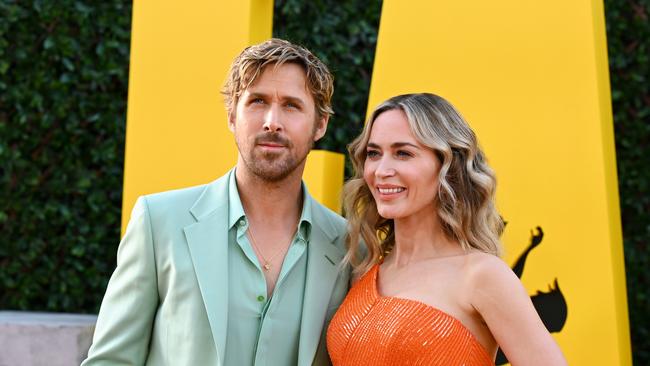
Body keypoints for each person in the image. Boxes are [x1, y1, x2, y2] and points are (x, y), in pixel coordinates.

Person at [82, 38, 349, 366]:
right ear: (232, 117)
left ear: (320, 125)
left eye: (292, 106)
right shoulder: (159, 222)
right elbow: (111, 361)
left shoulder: (348, 247)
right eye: (257, 101)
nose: (271, 121)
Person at [327, 93, 567, 365]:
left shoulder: (482, 276)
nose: (381, 170)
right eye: (373, 153)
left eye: (403, 153)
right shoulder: (364, 271)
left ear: (447, 166)